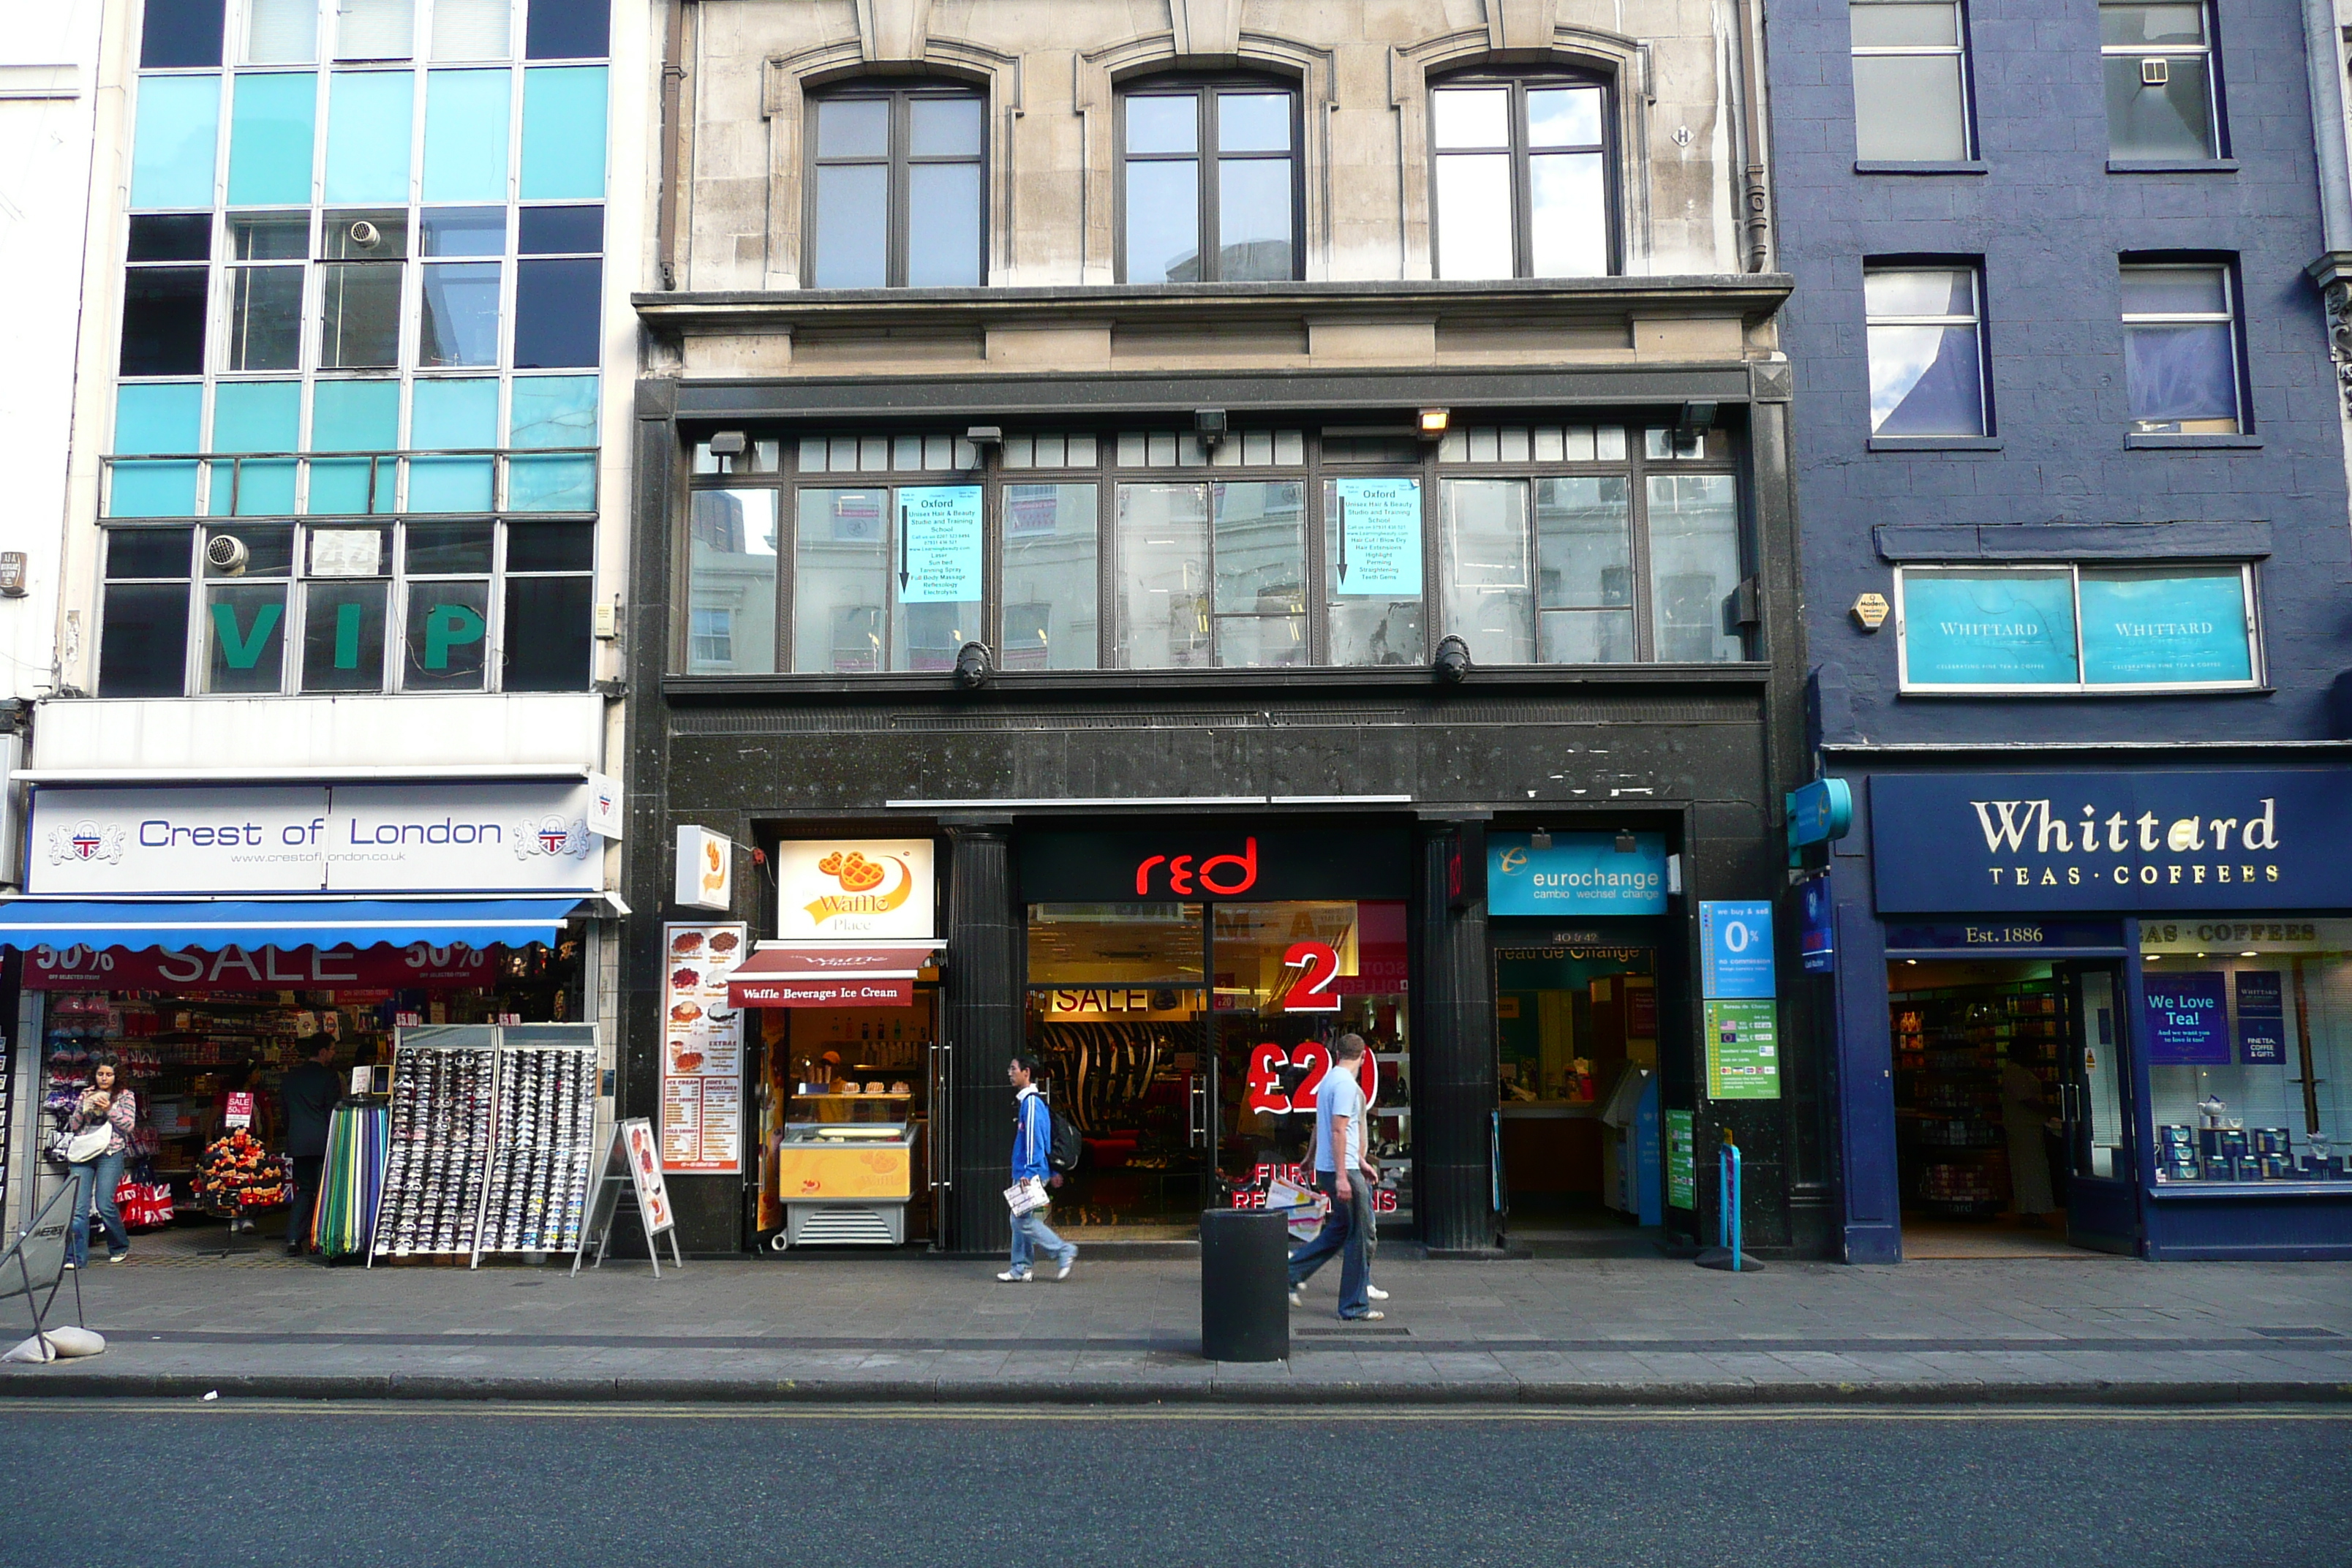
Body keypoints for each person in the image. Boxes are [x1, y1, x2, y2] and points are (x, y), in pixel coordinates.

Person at [1286, 1033, 1381, 1322]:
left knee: (1340, 1229)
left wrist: (1312, 1157)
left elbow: (1321, 1125)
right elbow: (1339, 1129)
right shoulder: (1346, 1086)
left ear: (1337, 1053)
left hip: (1337, 1166)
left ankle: (1290, 1273)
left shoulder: (1328, 1081)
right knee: (1359, 1236)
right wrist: (1344, 1175)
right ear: (1364, 1056)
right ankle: (1353, 1306)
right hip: (1342, 1171)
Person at [998, 1055, 1077, 1284]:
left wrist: (1029, 1172)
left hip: (1027, 1172)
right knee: (1020, 1218)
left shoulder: (1031, 1104)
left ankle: (1062, 1250)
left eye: (1014, 1069)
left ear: (1026, 1072)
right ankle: (1022, 1267)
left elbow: (1034, 1140)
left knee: (1020, 1220)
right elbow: (1042, 1140)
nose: (1010, 1073)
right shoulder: (1032, 1103)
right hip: (1031, 1170)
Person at [61, 1055, 136, 1268]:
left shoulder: (125, 1096)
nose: (104, 1078)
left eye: (109, 1075)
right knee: (78, 1207)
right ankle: (75, 1258)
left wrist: (108, 1109)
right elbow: (74, 1126)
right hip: (84, 1152)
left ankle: (119, 1245)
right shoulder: (86, 1093)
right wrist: (82, 1108)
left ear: (116, 1076)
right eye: (100, 1074)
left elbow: (129, 1125)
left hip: (110, 1153)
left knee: (105, 1204)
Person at [279, 1038, 342, 1256]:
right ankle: (320, 1238)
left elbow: (285, 1114)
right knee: (325, 1190)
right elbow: (332, 1111)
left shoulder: (290, 1078)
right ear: (323, 1051)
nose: (334, 1054)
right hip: (323, 1140)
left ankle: (294, 1238)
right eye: (332, 1050)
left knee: (304, 1189)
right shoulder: (329, 1077)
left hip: (298, 1141)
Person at [2001, 1039, 2058, 1227]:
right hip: (2023, 1128)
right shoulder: (2015, 1073)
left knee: (2031, 1169)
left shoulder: (2018, 1071)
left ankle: (2033, 1211)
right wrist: (2052, 1111)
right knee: (2029, 1170)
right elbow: (2027, 1100)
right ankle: (2030, 1211)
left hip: (2028, 1127)